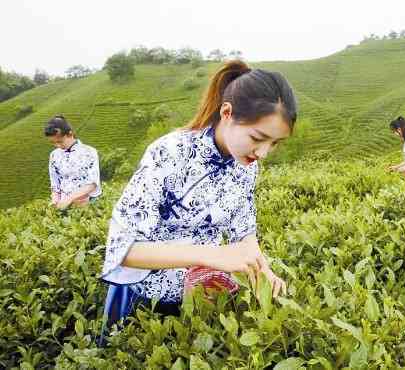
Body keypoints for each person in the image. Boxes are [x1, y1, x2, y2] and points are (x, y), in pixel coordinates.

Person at [98, 60, 297, 344]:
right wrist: (210, 254)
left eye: (275, 143)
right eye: (258, 137)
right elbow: (123, 250)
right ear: (227, 113)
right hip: (145, 300)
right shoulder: (169, 152)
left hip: (202, 299)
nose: (264, 153)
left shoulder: (246, 165)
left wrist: (264, 273)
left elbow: (245, 231)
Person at [44, 115, 101, 209]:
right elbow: (55, 183)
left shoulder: (89, 152)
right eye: (53, 143)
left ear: (70, 134)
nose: (57, 146)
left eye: (60, 141)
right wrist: (55, 201)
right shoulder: (54, 155)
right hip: (64, 203)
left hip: (88, 202)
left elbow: (93, 183)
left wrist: (70, 198)